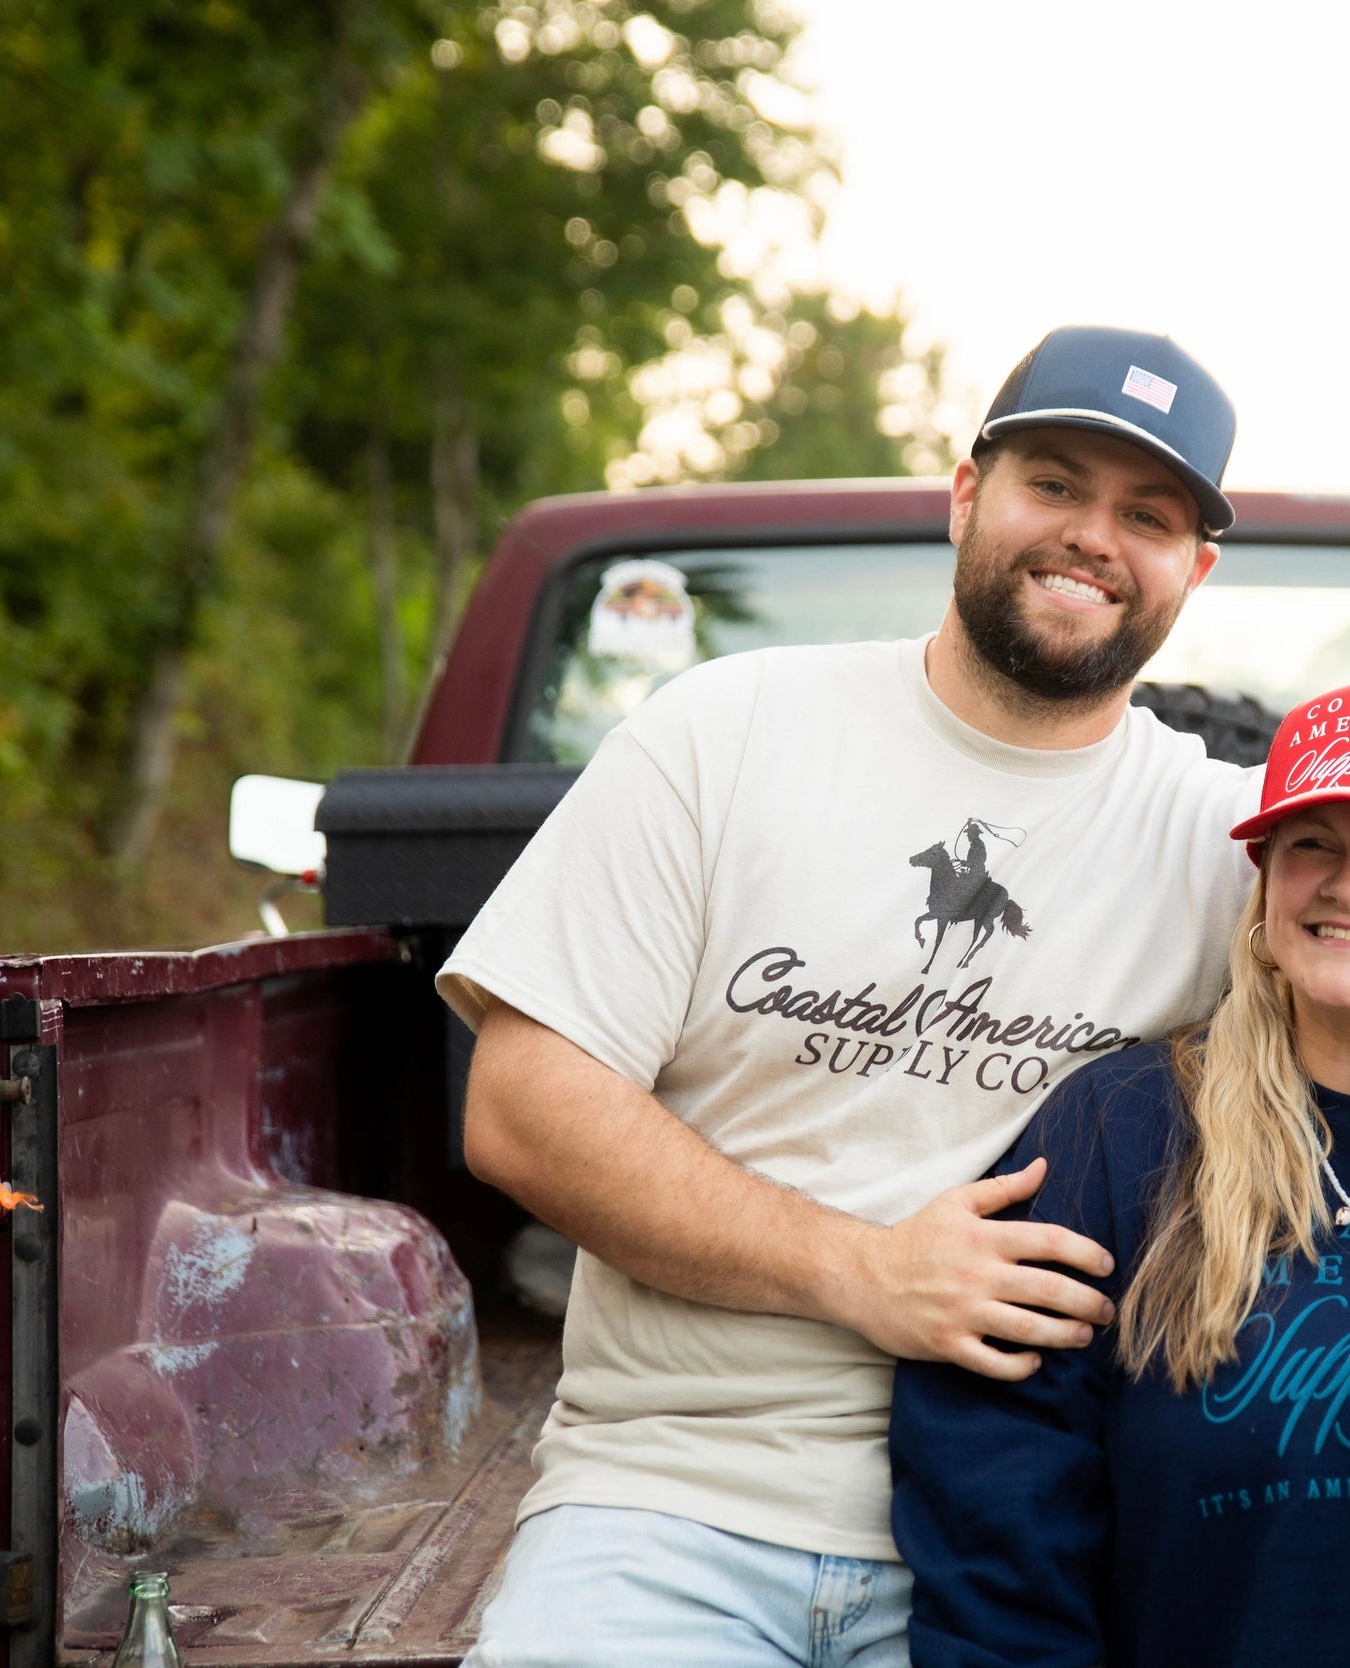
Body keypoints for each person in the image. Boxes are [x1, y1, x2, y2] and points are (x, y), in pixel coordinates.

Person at [437, 325, 1260, 1665]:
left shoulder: (1225, 846)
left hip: (1029, 1538)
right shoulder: (729, 732)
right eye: (1053, 484)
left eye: (1147, 516)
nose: (1092, 536)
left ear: (1194, 569)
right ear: (963, 494)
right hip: (672, 1504)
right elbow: (522, 1109)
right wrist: (863, 1270)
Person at [890, 688, 1350, 1667]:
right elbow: (998, 1485)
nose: (1340, 885)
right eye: (1313, 844)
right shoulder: (1125, 1124)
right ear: (1263, 884)